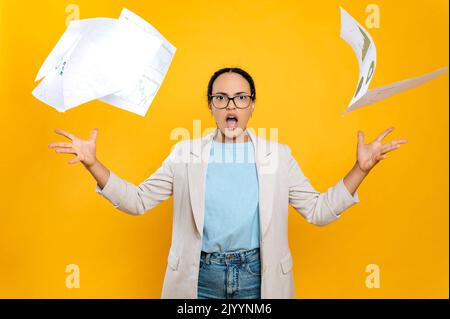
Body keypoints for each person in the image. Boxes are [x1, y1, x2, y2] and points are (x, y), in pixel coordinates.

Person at [48, 67, 408, 299]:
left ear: (252, 105)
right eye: (220, 97)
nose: (230, 104)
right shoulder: (185, 153)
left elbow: (317, 211)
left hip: (258, 276)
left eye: (240, 97)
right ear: (210, 106)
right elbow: (138, 201)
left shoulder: (278, 156)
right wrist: (93, 164)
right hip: (199, 277)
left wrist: (361, 169)